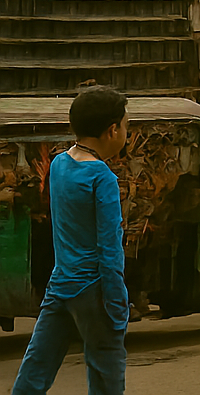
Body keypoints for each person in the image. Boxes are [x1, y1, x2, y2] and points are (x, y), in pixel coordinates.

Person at [12, 86, 131, 395]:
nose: (126, 133)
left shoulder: (59, 164)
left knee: (36, 368)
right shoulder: (102, 177)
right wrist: (117, 303)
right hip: (93, 290)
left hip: (61, 284)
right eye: (126, 126)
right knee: (106, 372)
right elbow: (109, 247)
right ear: (112, 130)